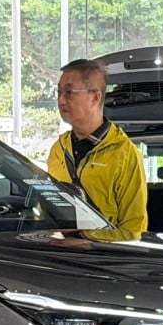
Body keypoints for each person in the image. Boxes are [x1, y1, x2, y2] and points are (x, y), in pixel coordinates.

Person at [47, 58, 148, 239]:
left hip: (101, 259)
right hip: (58, 255)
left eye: (69, 92)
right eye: (59, 92)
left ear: (95, 97)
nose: (61, 100)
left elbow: (134, 231)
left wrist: (88, 240)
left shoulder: (124, 154)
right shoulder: (58, 149)